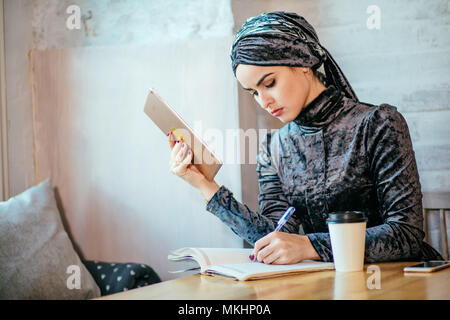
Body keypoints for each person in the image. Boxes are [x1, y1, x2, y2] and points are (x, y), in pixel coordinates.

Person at [167, 11, 442, 264]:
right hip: (328, 286)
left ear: (303, 64)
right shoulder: (272, 147)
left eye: (269, 83)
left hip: (402, 280)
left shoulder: (379, 124)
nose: (263, 101)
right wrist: (203, 184)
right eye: (253, 92)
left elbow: (406, 234)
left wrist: (309, 246)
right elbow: (273, 235)